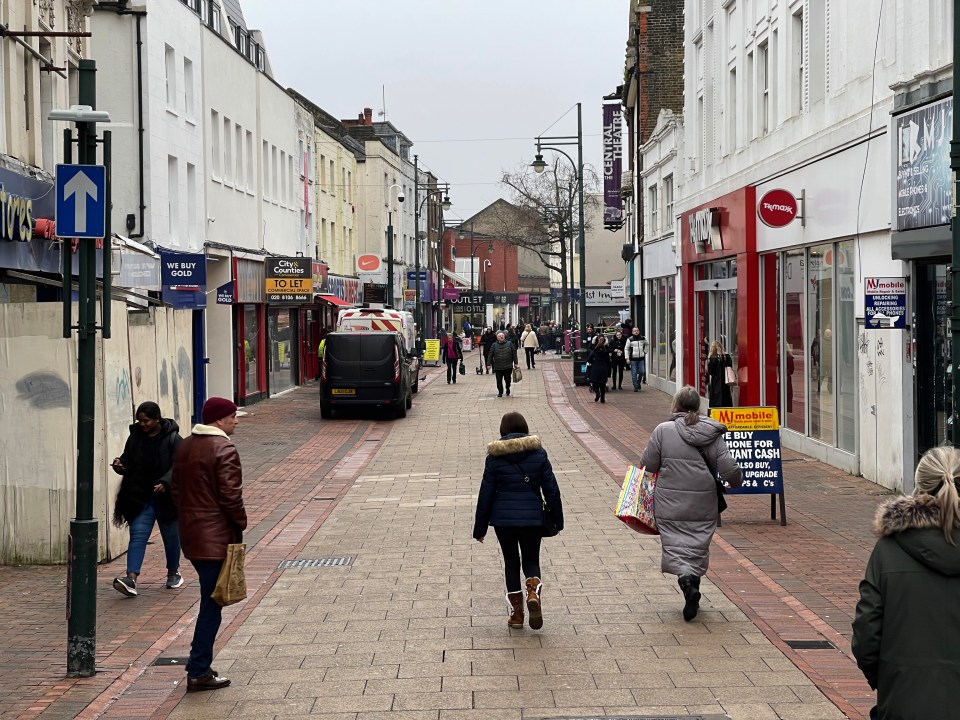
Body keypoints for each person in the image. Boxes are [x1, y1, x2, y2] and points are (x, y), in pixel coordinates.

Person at [852, 446, 960, 719]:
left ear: (919, 486)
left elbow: (867, 631)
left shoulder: (889, 550)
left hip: (904, 701)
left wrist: (888, 680)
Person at [639, 386, 742, 621]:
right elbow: (730, 468)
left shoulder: (663, 431)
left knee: (675, 544)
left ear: (675, 405)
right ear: (697, 406)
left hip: (669, 502)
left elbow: (647, 465)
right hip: (703, 501)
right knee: (697, 544)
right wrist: (736, 481)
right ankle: (692, 584)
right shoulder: (712, 433)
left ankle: (686, 584)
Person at [171, 397, 247, 693]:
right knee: (212, 603)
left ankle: (199, 666)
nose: (236, 421)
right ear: (219, 421)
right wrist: (239, 523)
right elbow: (231, 495)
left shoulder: (187, 444)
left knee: (210, 598)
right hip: (214, 537)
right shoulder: (223, 447)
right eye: (232, 417)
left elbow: (176, 490)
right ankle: (198, 669)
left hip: (192, 535)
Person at [473, 412, 564, 630]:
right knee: (531, 560)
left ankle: (517, 614)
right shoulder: (538, 454)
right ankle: (533, 591)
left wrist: (480, 528)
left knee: (511, 562)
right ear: (525, 429)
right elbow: (551, 489)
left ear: (502, 431)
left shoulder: (494, 458)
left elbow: (486, 494)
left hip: (504, 521)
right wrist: (558, 520)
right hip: (532, 519)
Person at [111, 401, 184, 597]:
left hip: (166, 498)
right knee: (138, 535)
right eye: (140, 420)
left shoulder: (173, 439)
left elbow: (180, 465)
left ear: (157, 419)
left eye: (147, 421)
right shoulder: (135, 437)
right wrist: (120, 464)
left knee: (170, 536)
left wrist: (166, 483)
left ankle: (173, 572)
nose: (142, 424)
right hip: (141, 495)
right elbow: (128, 459)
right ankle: (131, 578)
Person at [487, 330, 519, 397]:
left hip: (508, 366)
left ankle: (508, 388)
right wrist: (488, 364)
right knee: (499, 380)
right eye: (499, 336)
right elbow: (490, 355)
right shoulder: (494, 345)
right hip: (498, 366)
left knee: (508, 379)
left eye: (502, 336)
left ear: (504, 337)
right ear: (497, 337)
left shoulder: (510, 344)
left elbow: (514, 353)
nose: (501, 337)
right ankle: (500, 392)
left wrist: (515, 363)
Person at [706, 340, 733, 409]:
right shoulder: (727, 357)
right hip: (726, 381)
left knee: (716, 399)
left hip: (716, 382)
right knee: (726, 397)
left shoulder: (712, 358)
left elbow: (710, 372)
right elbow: (730, 367)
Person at [586, 335, 612, 403]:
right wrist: (609, 373)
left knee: (595, 383)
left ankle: (597, 393)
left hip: (595, 369)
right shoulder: (606, 353)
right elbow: (609, 363)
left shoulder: (594, 352)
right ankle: (602, 398)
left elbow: (588, 360)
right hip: (604, 370)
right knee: (602, 384)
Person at [624, 327, 649, 392]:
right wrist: (627, 358)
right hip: (633, 359)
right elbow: (626, 349)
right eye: (634, 331)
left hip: (641, 359)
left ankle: (638, 382)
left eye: (637, 330)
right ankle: (636, 386)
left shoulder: (643, 338)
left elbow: (647, 344)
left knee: (642, 372)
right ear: (632, 332)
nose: (636, 332)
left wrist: (645, 351)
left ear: (639, 331)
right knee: (634, 373)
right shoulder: (630, 339)